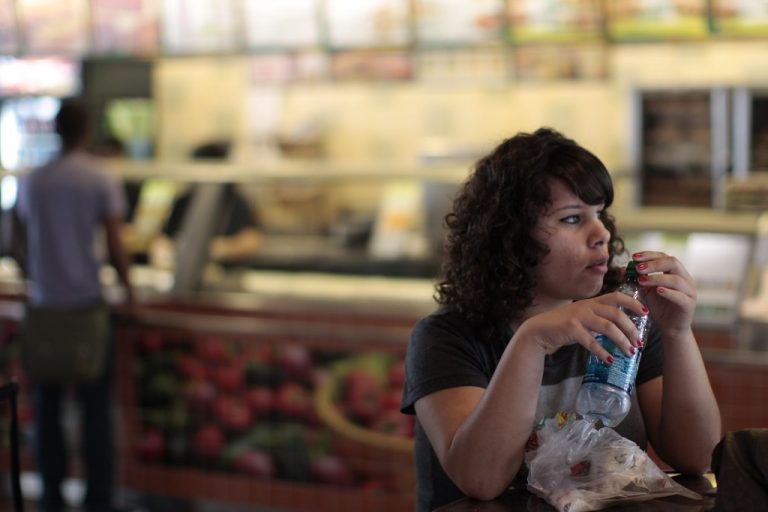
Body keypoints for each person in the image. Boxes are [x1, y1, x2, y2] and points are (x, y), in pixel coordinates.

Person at [400, 128, 722, 511]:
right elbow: (481, 481)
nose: (601, 233)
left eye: (599, 214)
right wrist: (531, 341)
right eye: (572, 219)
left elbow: (697, 456)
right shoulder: (446, 337)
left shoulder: (623, 318)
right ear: (510, 236)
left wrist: (677, 331)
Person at [11, 98, 134, 512]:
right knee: (96, 414)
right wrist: (130, 292)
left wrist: (37, 274)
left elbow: (15, 241)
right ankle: (98, 500)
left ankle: (51, 498)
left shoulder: (33, 180)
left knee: (47, 412)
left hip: (44, 309)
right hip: (86, 308)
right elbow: (116, 246)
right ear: (87, 130)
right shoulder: (99, 178)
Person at [150, 141, 261, 265]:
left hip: (226, 274)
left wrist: (218, 249)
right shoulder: (184, 201)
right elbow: (162, 240)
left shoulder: (236, 202)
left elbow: (252, 242)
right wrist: (170, 250)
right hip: (184, 269)